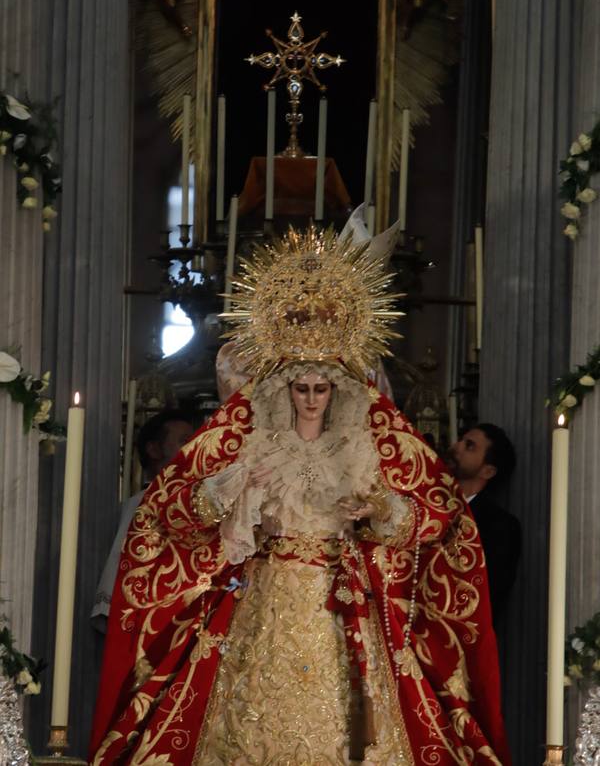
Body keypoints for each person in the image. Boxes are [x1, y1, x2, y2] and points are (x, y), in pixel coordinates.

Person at [89, 227, 510, 765]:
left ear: (339, 390)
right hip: (265, 596)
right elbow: (171, 510)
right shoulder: (248, 437)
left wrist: (379, 510)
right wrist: (236, 500)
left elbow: (436, 519)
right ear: (281, 387)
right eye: (300, 388)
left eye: (322, 388)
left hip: (343, 601)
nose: (311, 400)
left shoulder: (368, 444)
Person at [90, 409, 193, 631]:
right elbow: (123, 564)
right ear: (154, 450)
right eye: (185, 441)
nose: (194, 448)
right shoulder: (142, 504)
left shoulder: (195, 502)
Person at [449, 423, 521, 623]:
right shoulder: (429, 503)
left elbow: (489, 597)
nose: (456, 447)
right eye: (461, 440)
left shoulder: (501, 527)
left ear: (488, 471)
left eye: (469, 446)